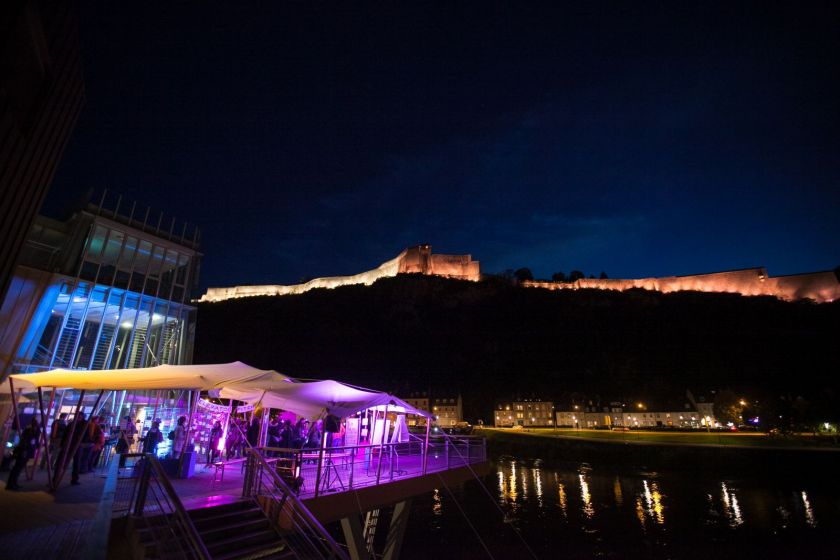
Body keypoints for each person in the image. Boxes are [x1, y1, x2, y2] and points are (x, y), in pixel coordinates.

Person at [6, 418, 40, 490]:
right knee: (17, 468)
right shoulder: (31, 431)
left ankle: (13, 483)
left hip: (25, 451)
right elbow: (29, 441)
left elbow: (31, 441)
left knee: (17, 468)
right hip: (25, 451)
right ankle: (11, 484)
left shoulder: (31, 430)